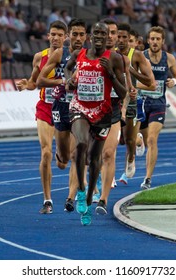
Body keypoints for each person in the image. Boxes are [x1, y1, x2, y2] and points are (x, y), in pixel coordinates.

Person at [64, 21, 127, 225]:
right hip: (79, 107)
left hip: (102, 112)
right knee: (81, 144)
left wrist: (110, 74)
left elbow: (124, 92)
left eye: (104, 33)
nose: (100, 36)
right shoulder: (78, 55)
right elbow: (67, 69)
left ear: (108, 36)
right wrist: (68, 81)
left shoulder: (114, 58)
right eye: (96, 32)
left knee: (94, 159)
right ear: (90, 36)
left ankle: (90, 196)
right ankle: (81, 192)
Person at [15, 20, 67, 214]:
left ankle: (61, 153)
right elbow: (34, 82)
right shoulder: (39, 57)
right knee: (45, 152)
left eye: (59, 35)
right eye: (52, 34)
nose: (55, 38)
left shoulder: (72, 57)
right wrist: (25, 84)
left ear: (65, 37)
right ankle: (47, 200)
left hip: (66, 108)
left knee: (62, 162)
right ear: (48, 36)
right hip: (45, 107)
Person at [36, 18, 87, 212]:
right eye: (75, 34)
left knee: (77, 154)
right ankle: (60, 153)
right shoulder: (59, 54)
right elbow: (40, 79)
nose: (78, 38)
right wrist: (61, 83)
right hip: (60, 108)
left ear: (86, 37)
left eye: (82, 34)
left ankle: (71, 198)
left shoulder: (92, 56)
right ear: (70, 37)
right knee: (63, 158)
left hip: (81, 109)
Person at [95, 18, 134, 215]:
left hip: (113, 112)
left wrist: (124, 112)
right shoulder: (88, 56)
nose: (111, 37)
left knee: (108, 154)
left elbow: (125, 90)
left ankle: (103, 199)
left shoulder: (121, 59)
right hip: (91, 112)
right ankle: (93, 186)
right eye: (107, 32)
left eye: (114, 33)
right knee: (90, 156)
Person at [138, 26, 176, 190]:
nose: (155, 42)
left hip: (158, 103)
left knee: (152, 139)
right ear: (148, 40)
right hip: (141, 103)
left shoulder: (169, 58)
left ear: (163, 41)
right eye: (152, 39)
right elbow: (131, 78)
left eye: (158, 39)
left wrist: (174, 82)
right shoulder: (140, 57)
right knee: (138, 139)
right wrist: (147, 85)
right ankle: (137, 142)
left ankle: (147, 178)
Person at [116, 22, 155, 185]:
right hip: (113, 100)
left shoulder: (137, 56)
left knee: (128, 140)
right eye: (119, 36)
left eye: (125, 37)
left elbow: (151, 83)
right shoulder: (110, 54)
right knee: (117, 139)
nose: (121, 40)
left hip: (132, 102)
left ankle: (133, 151)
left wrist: (130, 71)